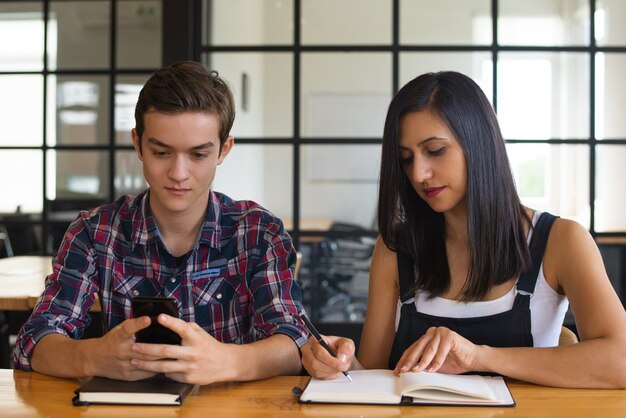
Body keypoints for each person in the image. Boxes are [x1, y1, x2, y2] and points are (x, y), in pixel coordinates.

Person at [301, 71, 626, 388]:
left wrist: (478, 357)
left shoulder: (561, 241)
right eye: (406, 158)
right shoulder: (395, 247)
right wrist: (339, 363)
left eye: (435, 150)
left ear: (479, 143)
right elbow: (369, 377)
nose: (419, 173)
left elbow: (620, 361)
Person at [12, 61, 308, 385]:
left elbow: (294, 342)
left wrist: (230, 361)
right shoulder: (93, 233)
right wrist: (94, 357)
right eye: (162, 153)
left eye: (198, 155)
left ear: (224, 149)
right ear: (138, 144)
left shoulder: (258, 233)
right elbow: (34, 342)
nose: (179, 174)